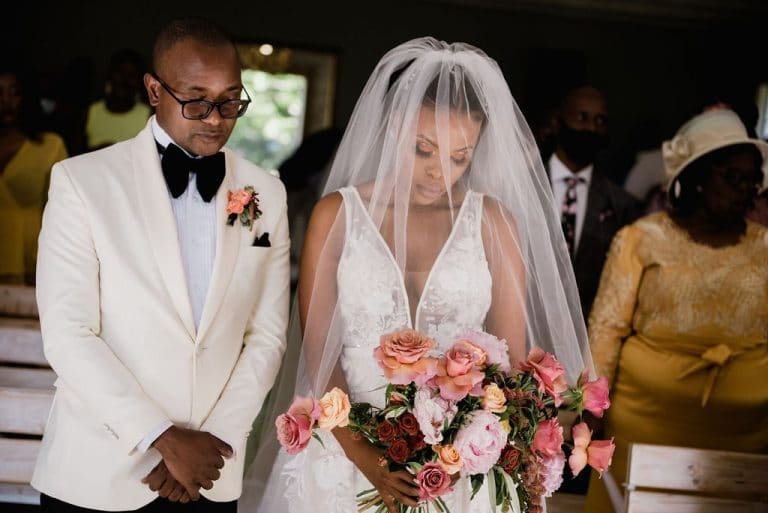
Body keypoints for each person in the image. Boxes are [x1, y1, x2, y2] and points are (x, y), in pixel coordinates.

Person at [244, 37, 592, 513]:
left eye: (459, 157)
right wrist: (364, 456)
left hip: (460, 463)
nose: (438, 173)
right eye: (423, 149)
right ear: (392, 128)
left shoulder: (494, 223)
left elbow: (508, 364)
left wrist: (481, 446)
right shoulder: (336, 216)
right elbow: (319, 346)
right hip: (348, 452)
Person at [32, 17, 290, 512]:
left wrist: (212, 443)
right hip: (99, 472)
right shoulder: (81, 183)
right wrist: (162, 439)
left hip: (211, 471)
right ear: (154, 90)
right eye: (196, 99)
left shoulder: (264, 195)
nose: (216, 118)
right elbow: (69, 332)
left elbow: (267, 335)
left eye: (230, 100)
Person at [583, 109, 768, 513]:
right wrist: (590, 409)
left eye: (751, 180)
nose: (744, 191)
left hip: (746, 432)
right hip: (645, 422)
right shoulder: (640, 239)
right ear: (699, 178)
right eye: (731, 178)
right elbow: (607, 329)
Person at [548, 85, 641, 320]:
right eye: (582, 118)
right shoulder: (519, 184)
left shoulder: (622, 204)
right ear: (558, 122)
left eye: (600, 121)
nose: (591, 128)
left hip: (587, 332)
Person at [0, 63, 67, 284]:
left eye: (15, 93)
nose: (6, 102)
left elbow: (66, 214)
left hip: (34, 264)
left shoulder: (50, 146)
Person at [85, 48, 152, 150]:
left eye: (131, 75)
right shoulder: (91, 112)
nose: (125, 80)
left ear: (139, 81)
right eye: (120, 73)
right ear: (110, 75)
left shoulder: (148, 116)